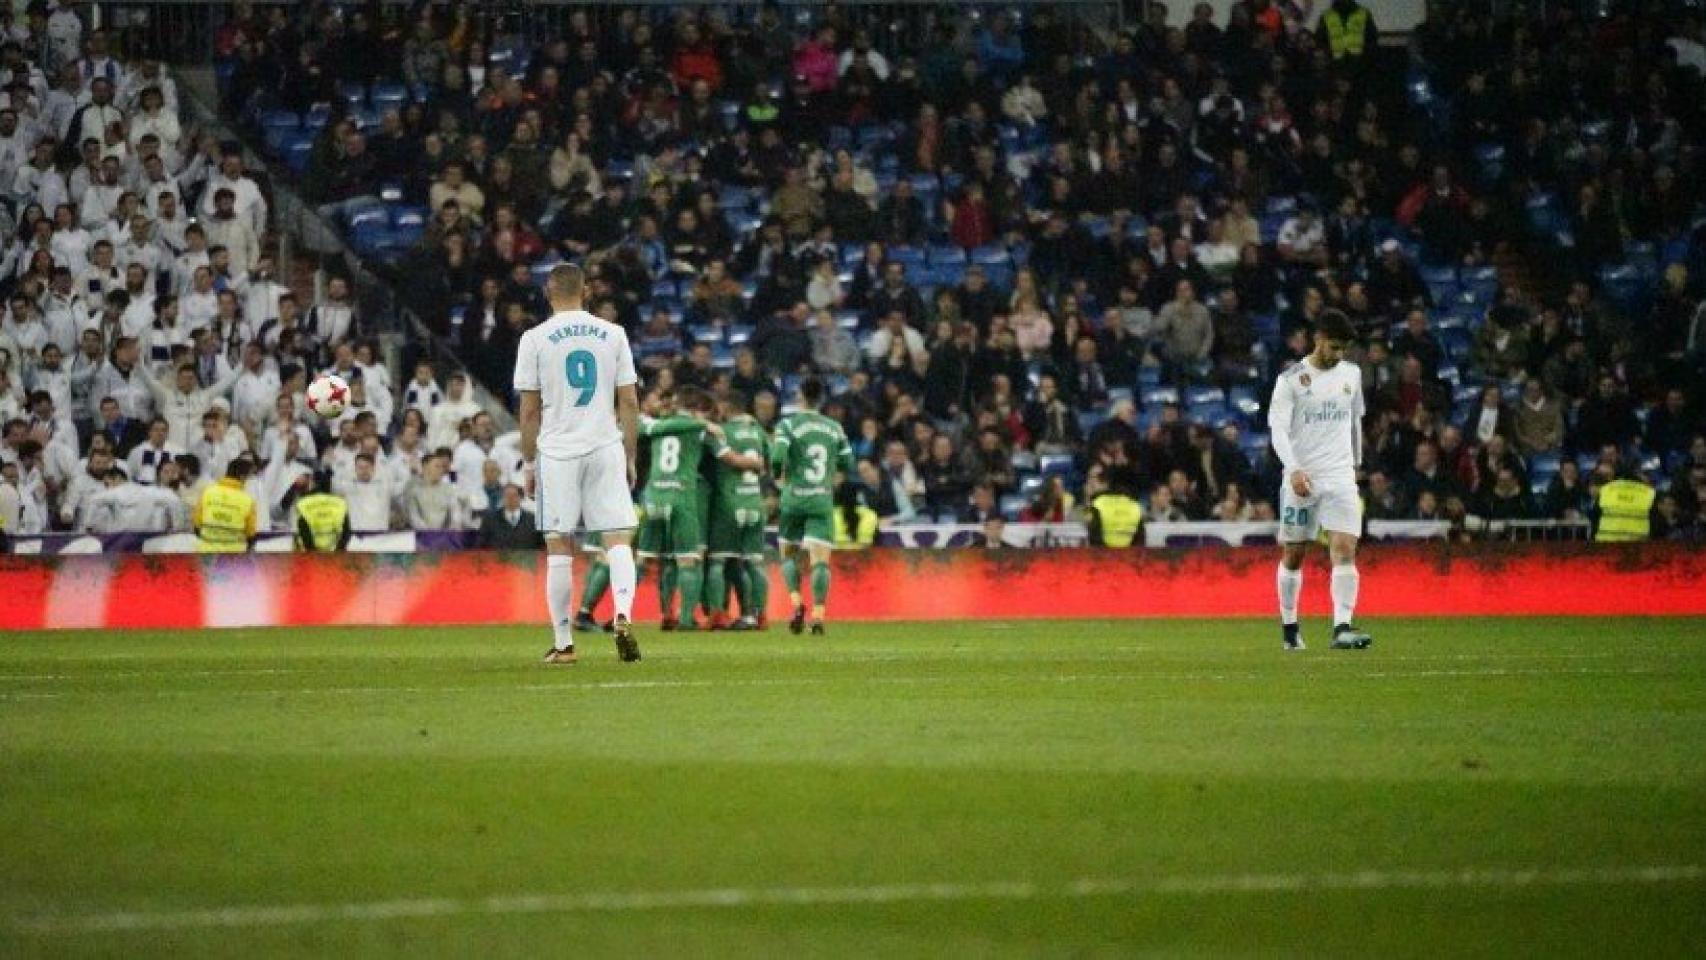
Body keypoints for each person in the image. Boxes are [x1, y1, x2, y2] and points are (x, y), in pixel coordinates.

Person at [514, 263, 643, 664]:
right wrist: (631, 454)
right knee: (617, 539)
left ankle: (565, 643)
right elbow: (630, 402)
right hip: (605, 445)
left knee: (559, 547)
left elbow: (530, 411)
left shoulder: (534, 339)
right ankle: (621, 614)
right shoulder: (614, 334)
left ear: (547, 294)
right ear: (586, 291)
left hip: (557, 452)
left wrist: (529, 463)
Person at [1268, 310, 1372, 652]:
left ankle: (1341, 626)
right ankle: (1289, 627)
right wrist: (1294, 469)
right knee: (1295, 554)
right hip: (1303, 478)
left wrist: (1356, 465)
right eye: (1334, 347)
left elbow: (1355, 422)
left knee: (1344, 549)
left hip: (1340, 476)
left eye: (1343, 349)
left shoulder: (1352, 375)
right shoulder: (1291, 380)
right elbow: (1278, 430)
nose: (1338, 355)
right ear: (1318, 338)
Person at [771, 376, 855, 636]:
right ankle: (819, 616)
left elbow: (777, 456)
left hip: (794, 497)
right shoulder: (834, 428)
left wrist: (779, 477)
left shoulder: (787, 425)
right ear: (821, 399)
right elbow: (848, 464)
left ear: (800, 397)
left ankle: (796, 603)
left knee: (788, 554)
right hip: (820, 498)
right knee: (820, 562)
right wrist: (834, 477)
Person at [705, 392, 771, 630]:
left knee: (718, 562)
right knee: (754, 563)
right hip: (755, 502)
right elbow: (770, 464)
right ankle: (760, 615)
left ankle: (716, 615)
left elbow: (718, 459)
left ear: (725, 406)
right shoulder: (758, 431)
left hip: (729, 504)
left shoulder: (721, 431)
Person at [192, 457, 257, 552]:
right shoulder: (248, 501)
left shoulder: (207, 493)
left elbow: (197, 524)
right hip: (234, 557)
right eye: (249, 477)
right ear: (242, 477)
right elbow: (250, 533)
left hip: (206, 554)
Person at [293, 471, 350, 551]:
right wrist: (337, 552)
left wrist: (313, 553)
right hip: (334, 554)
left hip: (310, 556)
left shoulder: (302, 503)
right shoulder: (340, 503)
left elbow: (303, 532)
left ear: (313, 484)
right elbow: (346, 533)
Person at [478, 484, 544, 549]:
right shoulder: (489, 519)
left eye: (514, 495)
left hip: (527, 559)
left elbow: (542, 546)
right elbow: (481, 545)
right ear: (502, 498)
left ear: (521, 498)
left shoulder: (533, 520)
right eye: (507, 495)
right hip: (497, 559)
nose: (510, 499)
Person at [1593, 474, 1655, 543]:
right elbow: (1654, 521)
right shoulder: (1649, 493)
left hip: (1606, 542)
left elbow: (1595, 517)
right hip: (1636, 543)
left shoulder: (1606, 489)